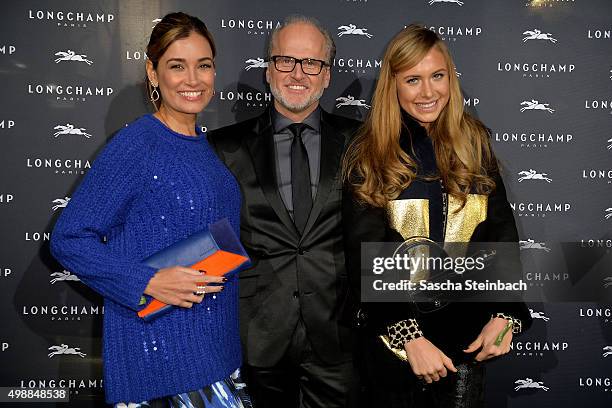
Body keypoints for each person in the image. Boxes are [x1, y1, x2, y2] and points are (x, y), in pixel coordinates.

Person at [51, 12, 249, 407]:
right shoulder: (138, 143)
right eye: (177, 66)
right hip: (163, 358)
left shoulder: (204, 146)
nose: (193, 79)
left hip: (214, 351)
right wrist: (145, 281)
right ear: (153, 73)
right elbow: (68, 238)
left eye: (203, 66)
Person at [342, 25, 532, 407]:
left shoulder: (475, 142)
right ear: (393, 86)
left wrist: (505, 312)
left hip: (466, 346)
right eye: (413, 79)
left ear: (451, 78)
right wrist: (409, 338)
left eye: (437, 76)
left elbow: (500, 236)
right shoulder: (370, 153)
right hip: (393, 351)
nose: (428, 92)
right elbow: (364, 255)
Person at [208, 14, 360, 408]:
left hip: (340, 337)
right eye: (286, 61)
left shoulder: (363, 143)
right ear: (268, 70)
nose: (298, 73)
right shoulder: (222, 148)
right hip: (254, 338)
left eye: (312, 63)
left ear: (327, 75)